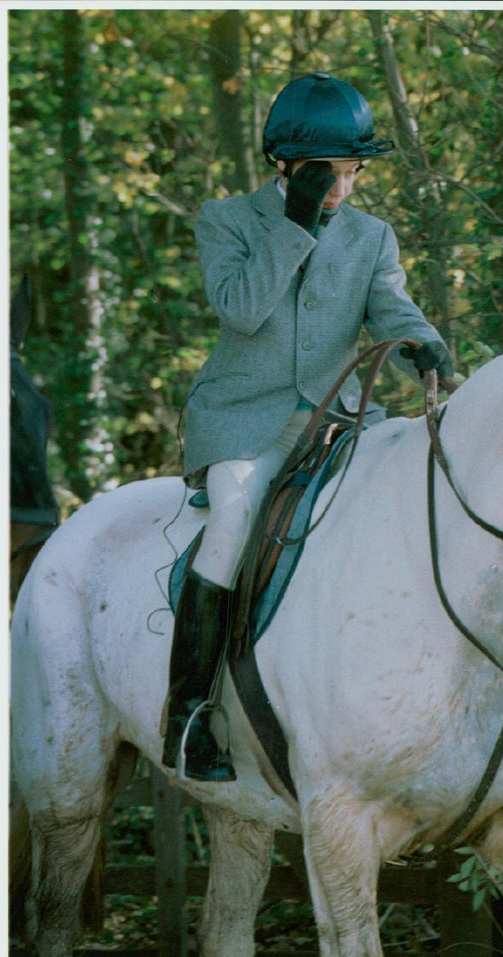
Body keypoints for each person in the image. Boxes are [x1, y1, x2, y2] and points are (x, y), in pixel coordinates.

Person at [162, 73, 454, 782]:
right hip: (242, 421)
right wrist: (295, 227)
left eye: (353, 173)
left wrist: (427, 344)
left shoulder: (371, 236)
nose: (343, 188)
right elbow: (242, 310)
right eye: (330, 173)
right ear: (286, 165)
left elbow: (391, 307)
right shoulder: (227, 219)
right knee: (233, 523)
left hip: (339, 417)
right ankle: (190, 712)